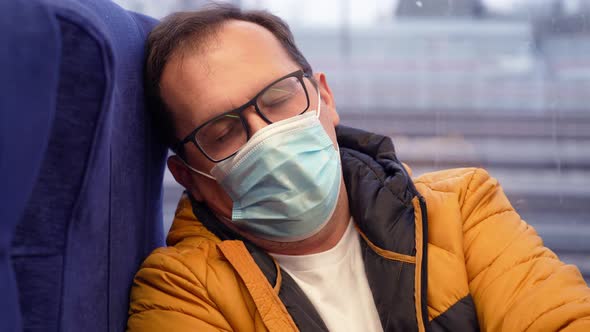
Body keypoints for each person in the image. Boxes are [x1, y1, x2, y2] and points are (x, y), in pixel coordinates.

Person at [127, 4, 590, 332]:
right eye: (222, 132)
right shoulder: (179, 290)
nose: (265, 134)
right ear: (189, 176)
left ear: (324, 98)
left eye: (279, 98)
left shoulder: (463, 209)